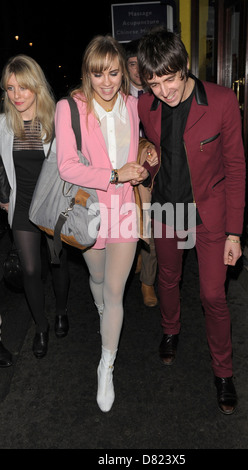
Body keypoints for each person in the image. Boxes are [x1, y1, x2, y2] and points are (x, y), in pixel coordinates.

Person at [137, 29, 246, 415]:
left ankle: (224, 372)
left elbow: (235, 167)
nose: (164, 91)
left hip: (209, 211)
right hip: (168, 206)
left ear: (185, 67)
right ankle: (170, 330)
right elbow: (142, 140)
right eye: (154, 82)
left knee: (213, 294)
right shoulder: (145, 107)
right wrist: (144, 148)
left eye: (170, 79)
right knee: (168, 277)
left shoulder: (220, 101)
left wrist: (235, 232)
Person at [55, 35, 155, 412]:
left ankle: (106, 363)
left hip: (126, 210)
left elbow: (148, 136)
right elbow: (67, 165)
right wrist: (113, 174)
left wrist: (147, 149)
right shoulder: (71, 108)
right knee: (96, 281)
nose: (108, 82)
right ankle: (103, 316)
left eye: (114, 72)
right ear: (88, 74)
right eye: (98, 75)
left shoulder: (133, 104)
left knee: (115, 293)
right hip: (91, 210)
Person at [0, 55, 70, 360]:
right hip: (21, 206)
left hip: (53, 206)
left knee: (57, 263)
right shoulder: (3, 124)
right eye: (10, 89)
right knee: (30, 268)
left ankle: (62, 311)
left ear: (37, 87)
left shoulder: (55, 121)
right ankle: (41, 326)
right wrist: (3, 193)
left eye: (23, 88)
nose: (17, 96)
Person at [124, 39, 158, 307]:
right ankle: (133, 257)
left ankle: (148, 281)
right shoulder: (117, 95)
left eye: (140, 63)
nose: (137, 70)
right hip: (123, 170)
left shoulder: (159, 93)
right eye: (132, 64)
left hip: (151, 169)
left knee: (150, 223)